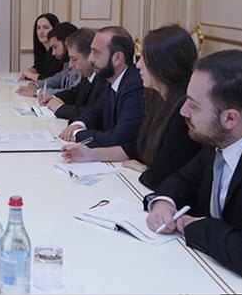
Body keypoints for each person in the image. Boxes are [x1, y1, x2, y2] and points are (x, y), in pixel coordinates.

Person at [145, 50, 242, 283]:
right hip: (209, 271)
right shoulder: (219, 139)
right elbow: (183, 179)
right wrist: (163, 202)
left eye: (194, 105)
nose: (183, 111)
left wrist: (193, 226)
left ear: (230, 118)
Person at [61, 24, 201, 190]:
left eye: (145, 58)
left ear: (164, 64)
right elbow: (135, 147)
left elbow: (159, 175)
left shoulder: (182, 112)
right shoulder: (157, 99)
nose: (139, 65)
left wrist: (145, 170)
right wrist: (90, 154)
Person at [59, 26, 145, 148]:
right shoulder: (111, 80)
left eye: (96, 52)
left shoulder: (135, 86)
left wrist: (77, 134)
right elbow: (96, 111)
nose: (90, 59)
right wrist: (79, 124)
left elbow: (117, 139)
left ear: (117, 58)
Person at [39, 28, 108, 120]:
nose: (70, 65)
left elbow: (95, 113)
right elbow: (74, 93)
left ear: (90, 56)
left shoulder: (105, 80)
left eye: (74, 59)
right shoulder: (88, 75)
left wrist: (61, 108)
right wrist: (53, 97)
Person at [16, 22, 80, 97]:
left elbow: (71, 92)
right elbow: (56, 79)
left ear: (67, 43)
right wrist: (36, 85)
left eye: (55, 47)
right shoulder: (67, 63)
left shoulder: (81, 65)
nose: (53, 53)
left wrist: (37, 91)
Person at [18, 13, 62, 82]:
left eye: (45, 28)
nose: (41, 32)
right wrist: (31, 70)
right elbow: (40, 69)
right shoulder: (42, 50)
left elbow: (50, 79)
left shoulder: (58, 52)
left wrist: (29, 74)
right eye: (38, 28)